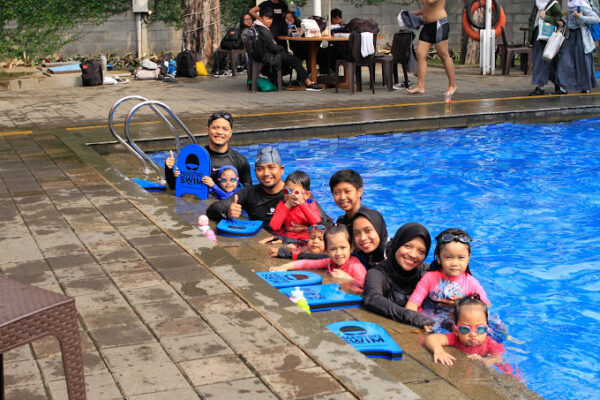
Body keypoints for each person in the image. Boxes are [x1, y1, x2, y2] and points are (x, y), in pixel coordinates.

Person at [405, 228, 490, 332]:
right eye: (449, 257)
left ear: (468, 257)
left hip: (457, 320)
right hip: (430, 318)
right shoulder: (429, 278)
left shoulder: (471, 282)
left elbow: (485, 305)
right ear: (439, 258)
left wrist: (464, 303)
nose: (455, 263)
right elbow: (413, 303)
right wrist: (415, 321)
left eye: (461, 257)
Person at [362, 223, 436, 329]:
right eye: (407, 246)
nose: (413, 255)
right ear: (397, 244)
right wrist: (413, 317)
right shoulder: (377, 273)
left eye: (421, 251)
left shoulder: (427, 272)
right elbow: (372, 299)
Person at [165, 112, 252, 190]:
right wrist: (169, 169)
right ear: (207, 130)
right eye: (215, 128)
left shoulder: (240, 161)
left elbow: (249, 193)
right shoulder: (194, 157)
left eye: (225, 129)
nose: (219, 132)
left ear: (230, 133)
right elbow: (175, 187)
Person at [270, 224, 367, 292]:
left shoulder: (355, 266)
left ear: (351, 248)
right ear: (327, 251)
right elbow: (306, 263)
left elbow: (367, 286)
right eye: (333, 249)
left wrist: (348, 279)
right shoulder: (330, 261)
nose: (338, 253)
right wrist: (283, 267)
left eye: (343, 247)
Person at [206, 145, 284, 224]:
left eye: (271, 167)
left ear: (282, 170)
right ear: (255, 171)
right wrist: (228, 213)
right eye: (260, 169)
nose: (266, 173)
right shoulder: (248, 193)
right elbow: (212, 210)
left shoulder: (293, 192)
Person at [253, 8, 323, 91]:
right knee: (295, 60)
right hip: (269, 56)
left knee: (296, 57)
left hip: (268, 54)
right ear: (261, 18)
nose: (270, 21)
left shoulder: (259, 28)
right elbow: (272, 47)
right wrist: (281, 48)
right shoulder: (263, 30)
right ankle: (309, 83)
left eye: (271, 19)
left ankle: (305, 80)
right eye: (267, 18)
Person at [424, 294, 504, 367]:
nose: (473, 334)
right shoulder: (455, 338)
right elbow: (431, 338)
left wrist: (486, 360)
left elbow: (498, 359)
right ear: (456, 330)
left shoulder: (490, 343)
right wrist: (438, 351)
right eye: (465, 329)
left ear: (487, 329)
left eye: (480, 329)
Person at [407, 0, 456, 95]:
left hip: (439, 25)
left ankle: (452, 85)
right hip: (427, 26)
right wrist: (416, 13)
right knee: (420, 54)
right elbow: (427, 7)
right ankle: (420, 86)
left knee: (444, 55)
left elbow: (431, 1)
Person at [555, 0, 600, 94]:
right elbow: (570, 22)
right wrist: (564, 22)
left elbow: (596, 19)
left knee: (582, 62)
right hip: (570, 37)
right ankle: (563, 87)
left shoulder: (582, 5)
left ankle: (585, 86)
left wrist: (581, 17)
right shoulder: (571, 6)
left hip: (581, 37)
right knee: (564, 60)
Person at [268, 170, 323, 242]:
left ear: (306, 195)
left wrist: (302, 204)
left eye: (296, 192)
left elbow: (316, 223)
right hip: (288, 238)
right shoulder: (282, 205)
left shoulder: (310, 204)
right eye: (286, 191)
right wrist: (287, 205)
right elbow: (274, 226)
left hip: (307, 239)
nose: (291, 195)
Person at [528, 0, 564, 96]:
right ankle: (557, 84)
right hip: (537, 35)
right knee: (540, 61)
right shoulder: (537, 4)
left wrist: (545, 17)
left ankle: (541, 87)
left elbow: (560, 22)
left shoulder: (554, 4)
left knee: (544, 61)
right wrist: (530, 36)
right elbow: (532, 20)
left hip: (548, 38)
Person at [317, 8, 347, 74]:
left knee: (325, 52)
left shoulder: (337, 28)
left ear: (336, 18)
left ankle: (327, 73)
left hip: (342, 51)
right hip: (346, 50)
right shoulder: (346, 26)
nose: (330, 22)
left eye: (331, 20)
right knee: (326, 50)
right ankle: (329, 73)